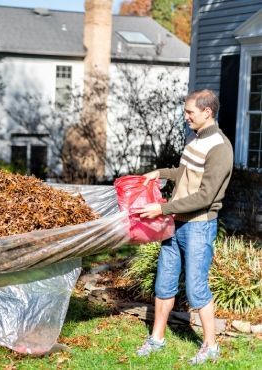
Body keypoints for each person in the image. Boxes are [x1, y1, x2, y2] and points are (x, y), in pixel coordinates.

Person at [134, 89, 233, 365]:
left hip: (198, 227)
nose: (185, 116)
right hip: (174, 225)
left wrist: (162, 208)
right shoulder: (195, 138)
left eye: (190, 112)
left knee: (196, 288)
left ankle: (211, 347)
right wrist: (162, 173)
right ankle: (157, 339)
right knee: (164, 283)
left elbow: (205, 195)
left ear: (207, 112)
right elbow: (186, 174)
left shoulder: (220, 148)